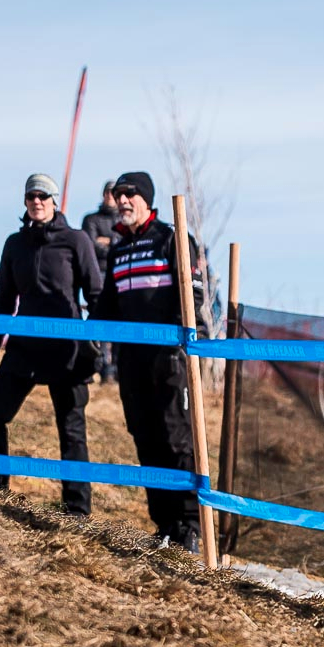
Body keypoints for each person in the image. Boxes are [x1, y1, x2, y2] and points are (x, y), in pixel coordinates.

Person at [92, 171, 208, 551]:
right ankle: (166, 523)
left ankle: (191, 525)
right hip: (131, 359)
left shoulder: (171, 239)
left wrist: (188, 341)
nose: (122, 201)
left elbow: (193, 296)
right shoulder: (120, 249)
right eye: (119, 195)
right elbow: (108, 303)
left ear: (147, 200)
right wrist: (85, 336)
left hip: (168, 357)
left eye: (130, 195)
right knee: (144, 436)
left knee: (176, 436)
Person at [0, 173, 103, 517]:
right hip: (24, 348)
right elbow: (4, 301)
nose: (37, 201)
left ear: (55, 201)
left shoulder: (75, 241)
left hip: (68, 351)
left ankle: (77, 511)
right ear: (25, 202)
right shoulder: (14, 245)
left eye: (44, 196)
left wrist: (95, 347)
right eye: (32, 196)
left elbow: (96, 296)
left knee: (71, 428)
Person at [81, 181, 121, 383]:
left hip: (121, 276)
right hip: (99, 275)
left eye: (115, 193)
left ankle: (118, 367)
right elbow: (89, 247)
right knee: (101, 320)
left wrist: (108, 242)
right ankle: (103, 367)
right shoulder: (92, 220)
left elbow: (126, 246)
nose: (112, 196)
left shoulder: (125, 219)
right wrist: (116, 244)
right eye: (108, 192)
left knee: (122, 321)